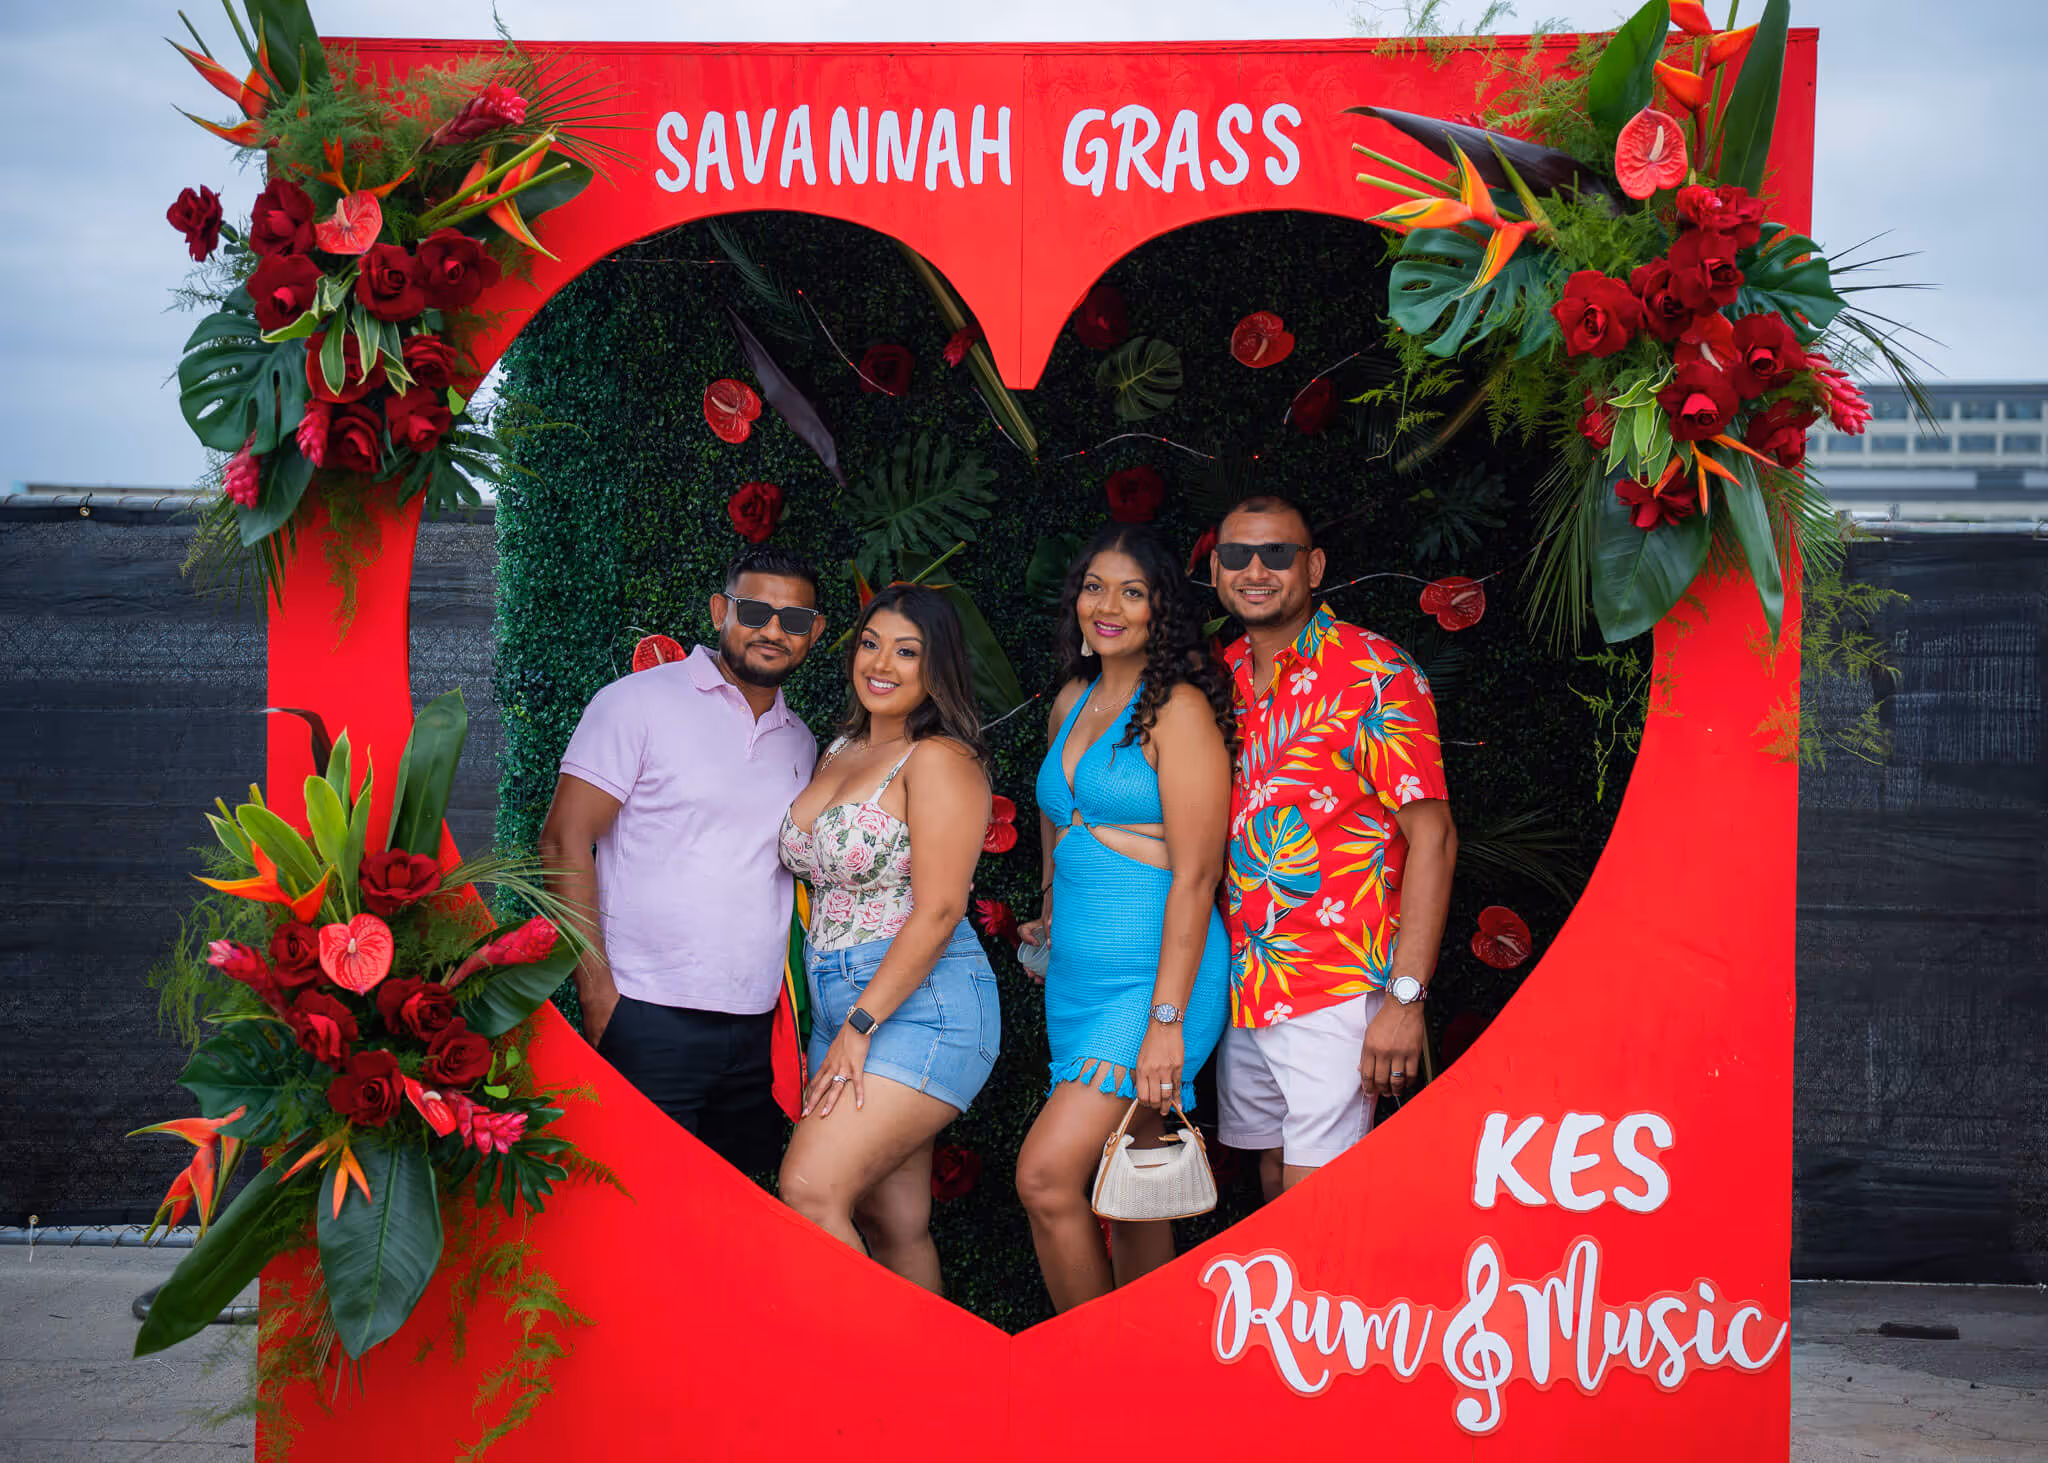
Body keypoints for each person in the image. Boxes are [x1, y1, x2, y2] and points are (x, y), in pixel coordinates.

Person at [539, 546, 826, 1174]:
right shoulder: (636, 703)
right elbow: (562, 841)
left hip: (756, 1032)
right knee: (639, 1216)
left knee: (733, 1228)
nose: (774, 631)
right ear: (721, 610)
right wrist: (598, 997)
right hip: (644, 1015)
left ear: (815, 633)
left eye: (795, 620)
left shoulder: (802, 742)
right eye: (755, 611)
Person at [1208, 495, 1457, 1201]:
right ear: (1218, 574)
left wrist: (1404, 998)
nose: (1256, 570)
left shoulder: (1372, 671)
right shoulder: (1217, 677)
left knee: (1321, 1202)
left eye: (1277, 554)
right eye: (1236, 556)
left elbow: (1433, 836)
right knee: (1269, 1180)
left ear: (1313, 566)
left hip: (1340, 988)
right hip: (1246, 986)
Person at [1015, 522, 1234, 1313]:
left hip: (1155, 984)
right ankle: (1149, 1385)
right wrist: (1046, 909)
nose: (1107, 606)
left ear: (1160, 612)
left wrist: (1167, 1022)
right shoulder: (1073, 699)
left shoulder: (1175, 707)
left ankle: (1090, 1380)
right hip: (1076, 981)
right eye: (1095, 587)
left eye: (1131, 592)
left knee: (1045, 1177)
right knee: (1134, 1187)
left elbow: (1199, 872)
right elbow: (1055, 816)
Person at [776, 584, 1000, 1293]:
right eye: (871, 643)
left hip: (917, 1002)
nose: (883, 663)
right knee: (893, 1222)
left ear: (938, 668)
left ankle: (872, 1387)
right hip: (835, 997)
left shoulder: (940, 760)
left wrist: (862, 1022)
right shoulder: (839, 746)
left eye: (908, 652)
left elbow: (938, 910)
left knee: (810, 1188)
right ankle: (932, 1398)